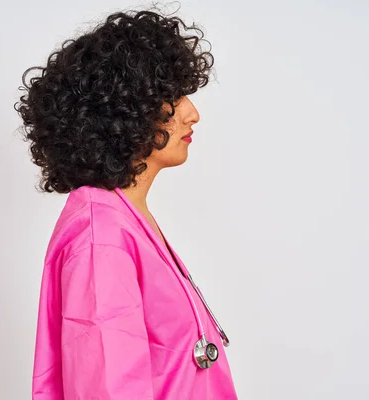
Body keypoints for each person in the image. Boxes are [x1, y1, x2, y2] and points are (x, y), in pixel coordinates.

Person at [15, 5, 238, 399]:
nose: (193, 113)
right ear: (124, 109)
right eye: (173, 96)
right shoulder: (101, 235)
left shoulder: (124, 219)